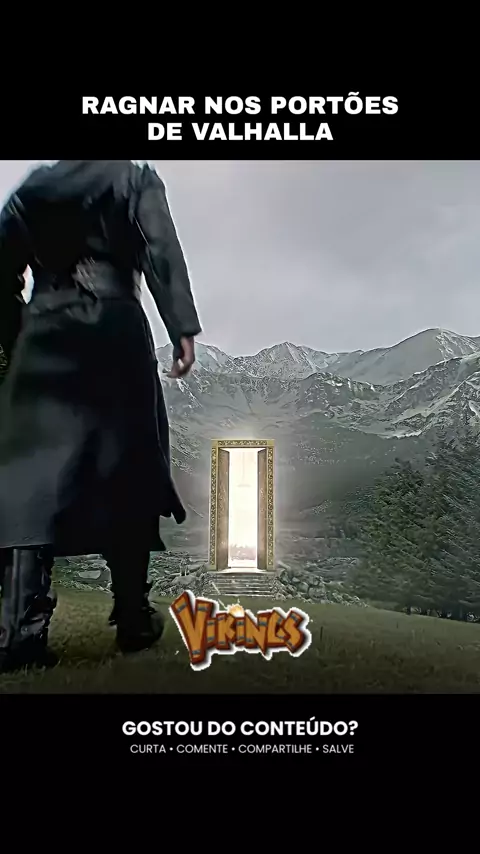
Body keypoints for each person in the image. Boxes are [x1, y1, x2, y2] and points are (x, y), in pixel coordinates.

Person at [0, 160, 201, 673]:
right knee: (127, 468)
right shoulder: (133, 179)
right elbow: (159, 246)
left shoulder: (36, 186)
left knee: (30, 481)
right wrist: (180, 325)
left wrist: (20, 331)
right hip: (116, 333)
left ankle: (20, 630)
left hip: (44, 336)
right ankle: (133, 617)